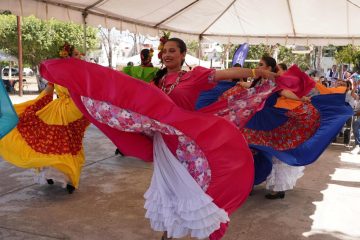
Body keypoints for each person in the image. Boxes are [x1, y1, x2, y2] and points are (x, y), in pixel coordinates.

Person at [0, 42, 89, 194]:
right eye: (75, 53)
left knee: (59, 141)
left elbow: (49, 90)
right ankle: (64, 175)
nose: (79, 55)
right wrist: (35, 105)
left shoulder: (72, 70)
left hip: (71, 110)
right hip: (69, 109)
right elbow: (51, 90)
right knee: (66, 141)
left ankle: (60, 174)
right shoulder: (77, 70)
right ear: (67, 56)